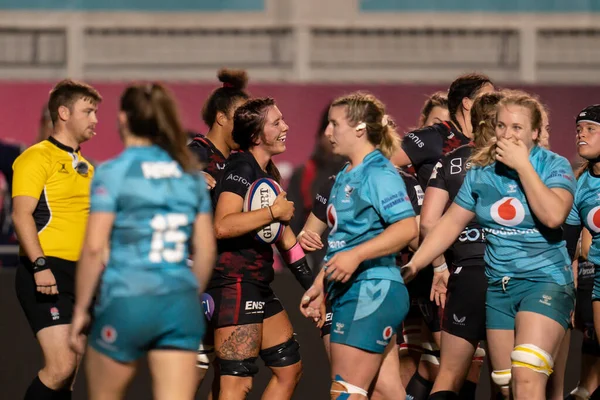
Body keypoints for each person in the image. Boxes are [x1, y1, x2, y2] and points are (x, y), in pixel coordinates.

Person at [403, 91, 576, 399]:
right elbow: (450, 224)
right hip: (499, 287)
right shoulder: (481, 170)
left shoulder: (553, 165)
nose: (507, 134)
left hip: (544, 282)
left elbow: (553, 216)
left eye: (517, 128)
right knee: (506, 384)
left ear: (536, 132)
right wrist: (416, 264)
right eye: (501, 126)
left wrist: (523, 166)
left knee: (526, 373)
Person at [300, 91, 418, 398]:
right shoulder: (345, 175)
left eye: (334, 124)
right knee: (385, 392)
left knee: (345, 391)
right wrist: (320, 285)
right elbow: (343, 245)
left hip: (372, 290)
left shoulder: (379, 172)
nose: (327, 132)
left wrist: (356, 256)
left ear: (360, 128)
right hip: (352, 290)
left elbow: (407, 227)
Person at [395, 74, 495, 400]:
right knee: (449, 365)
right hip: (441, 264)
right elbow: (375, 167)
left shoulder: (492, 145)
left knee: (475, 364)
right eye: (489, 96)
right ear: (468, 103)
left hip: (482, 262)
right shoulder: (433, 138)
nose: (497, 102)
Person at [206, 97, 313, 399]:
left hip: (257, 285)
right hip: (234, 284)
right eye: (276, 122)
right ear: (255, 136)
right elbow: (222, 225)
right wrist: (272, 213)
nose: (286, 126)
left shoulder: (267, 175)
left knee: (289, 370)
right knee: (236, 382)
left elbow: (286, 240)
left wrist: (315, 286)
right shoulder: (241, 166)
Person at [12, 79, 101, 399]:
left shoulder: (89, 167)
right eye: (88, 111)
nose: (95, 120)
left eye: (96, 112)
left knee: (70, 374)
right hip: (47, 272)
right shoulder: (36, 157)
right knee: (61, 366)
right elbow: (20, 215)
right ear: (63, 113)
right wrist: (40, 265)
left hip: (82, 277)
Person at [421, 91, 504, 399]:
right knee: (507, 378)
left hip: (464, 272)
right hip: (508, 274)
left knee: (449, 376)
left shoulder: (451, 160)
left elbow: (428, 222)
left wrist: (440, 266)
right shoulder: (519, 159)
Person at [397, 91, 448, 388]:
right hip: (412, 273)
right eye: (435, 124)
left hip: (441, 269)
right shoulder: (400, 179)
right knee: (411, 363)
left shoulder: (456, 172)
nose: (443, 133)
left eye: (447, 126)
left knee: (438, 366)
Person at [564, 104, 600, 400]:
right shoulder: (580, 183)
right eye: (579, 130)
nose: (581, 136)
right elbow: (568, 242)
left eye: (590, 130)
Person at [287, 104, 346, 271]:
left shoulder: (366, 175)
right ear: (320, 134)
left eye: (337, 128)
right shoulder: (304, 175)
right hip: (313, 270)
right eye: (328, 128)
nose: (331, 134)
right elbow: (289, 228)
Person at [189, 68, 250, 192]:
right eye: (241, 118)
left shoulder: (237, 162)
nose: (246, 125)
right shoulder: (194, 154)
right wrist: (187, 179)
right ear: (221, 118)